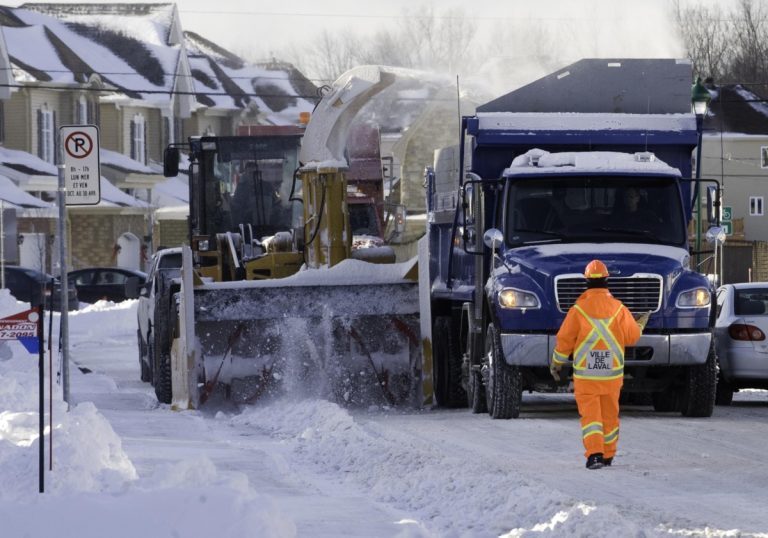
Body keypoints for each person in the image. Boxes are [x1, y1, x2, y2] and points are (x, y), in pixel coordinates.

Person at [550, 259, 647, 470]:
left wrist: (556, 363)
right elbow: (631, 337)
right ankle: (608, 455)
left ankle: (594, 455)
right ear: (607, 280)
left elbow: (564, 340)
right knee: (610, 415)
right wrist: (639, 325)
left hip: (586, 377)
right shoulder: (619, 309)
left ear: (587, 281)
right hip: (612, 376)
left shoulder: (578, 310)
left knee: (591, 417)